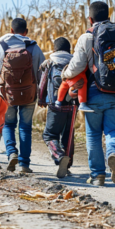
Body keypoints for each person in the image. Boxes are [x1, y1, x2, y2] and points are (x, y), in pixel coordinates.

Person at [62, 1, 115, 186]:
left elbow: (76, 66)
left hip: (93, 93)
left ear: (90, 19)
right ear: (109, 15)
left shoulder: (87, 37)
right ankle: (113, 154)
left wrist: (65, 74)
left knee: (93, 134)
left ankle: (98, 175)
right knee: (113, 130)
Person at [0, 18, 45, 173]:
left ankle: (12, 152)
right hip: (29, 95)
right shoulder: (34, 47)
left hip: (7, 95)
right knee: (25, 127)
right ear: (25, 32)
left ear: (11, 30)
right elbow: (43, 74)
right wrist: (42, 96)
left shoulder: (1, 47)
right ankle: (24, 164)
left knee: (8, 125)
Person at [38, 37, 81, 178]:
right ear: (69, 50)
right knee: (68, 137)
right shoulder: (75, 63)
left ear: (54, 49)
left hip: (55, 106)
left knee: (49, 134)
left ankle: (59, 156)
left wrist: (41, 98)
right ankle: (67, 166)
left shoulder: (50, 63)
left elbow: (43, 83)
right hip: (72, 106)